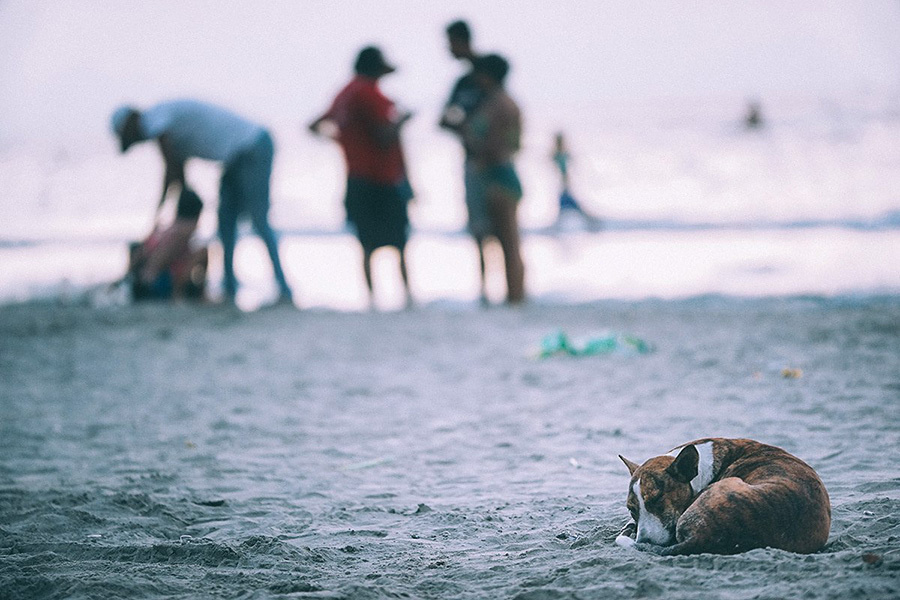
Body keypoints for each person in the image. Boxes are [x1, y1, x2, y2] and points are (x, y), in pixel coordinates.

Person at [110, 100, 293, 305]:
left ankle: (284, 290)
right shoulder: (167, 124)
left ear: (131, 123)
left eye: (129, 137)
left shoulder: (154, 120)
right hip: (233, 157)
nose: (135, 142)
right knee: (225, 225)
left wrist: (159, 214)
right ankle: (230, 291)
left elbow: (171, 170)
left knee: (258, 220)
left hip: (252, 147)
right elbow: (178, 176)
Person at [309, 46, 414, 308]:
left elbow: (314, 126)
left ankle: (372, 299)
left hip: (356, 176)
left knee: (366, 242)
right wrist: (403, 121)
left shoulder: (344, 94)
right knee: (398, 241)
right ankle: (407, 297)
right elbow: (384, 136)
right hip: (381, 177)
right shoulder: (369, 94)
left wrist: (343, 140)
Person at [465, 54, 526, 305]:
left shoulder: (499, 105)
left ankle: (515, 296)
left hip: (497, 176)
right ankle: (513, 296)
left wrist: (476, 147)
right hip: (499, 174)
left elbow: (498, 144)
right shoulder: (504, 102)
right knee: (506, 241)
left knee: (508, 242)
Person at [439, 19, 491, 303]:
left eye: (450, 42)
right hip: (474, 159)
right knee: (480, 227)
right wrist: (467, 131)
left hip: (492, 160)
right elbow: (444, 118)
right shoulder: (462, 82)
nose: (448, 49)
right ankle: (486, 289)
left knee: (501, 229)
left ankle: (510, 291)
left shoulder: (489, 71)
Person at [127, 186, 208, 301]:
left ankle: (190, 293)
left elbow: (141, 251)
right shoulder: (180, 233)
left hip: (147, 280)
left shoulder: (167, 229)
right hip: (156, 284)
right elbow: (160, 258)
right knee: (202, 252)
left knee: (200, 252)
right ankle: (186, 294)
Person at [552, 132, 602, 231]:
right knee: (566, 208)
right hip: (562, 187)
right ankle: (556, 228)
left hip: (565, 187)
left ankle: (592, 223)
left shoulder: (564, 155)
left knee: (572, 208)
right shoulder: (556, 155)